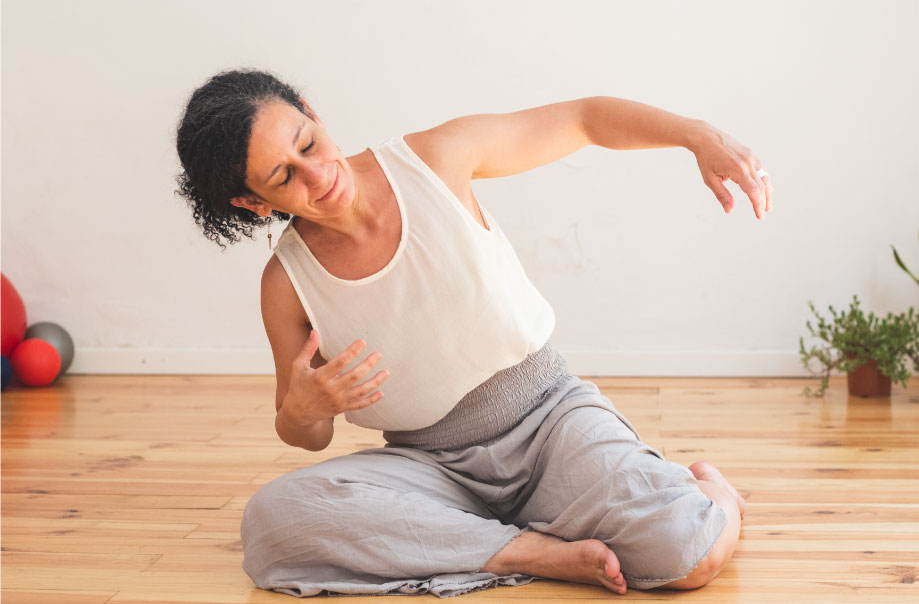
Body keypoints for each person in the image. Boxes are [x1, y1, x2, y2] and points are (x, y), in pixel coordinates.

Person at [174, 69, 768, 598]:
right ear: (254, 201)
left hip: (551, 424)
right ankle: (531, 552)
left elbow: (584, 119)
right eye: (284, 176)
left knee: (689, 553)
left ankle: (716, 494)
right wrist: (306, 410)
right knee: (272, 521)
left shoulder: (433, 160)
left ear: (312, 113)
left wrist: (696, 135)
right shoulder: (286, 283)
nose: (316, 173)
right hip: (429, 468)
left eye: (307, 143)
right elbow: (302, 430)